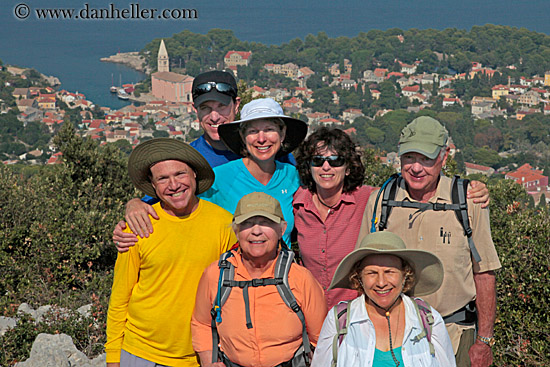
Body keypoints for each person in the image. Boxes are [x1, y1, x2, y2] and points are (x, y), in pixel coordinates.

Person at [356, 116, 501, 367]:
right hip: (391, 335)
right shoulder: (381, 201)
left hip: (455, 333)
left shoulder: (468, 201)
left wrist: (484, 341)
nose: (416, 167)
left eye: (426, 159)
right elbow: (362, 270)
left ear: (444, 158)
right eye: (409, 158)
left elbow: (484, 273)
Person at [293, 127, 490, 310]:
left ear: (348, 168)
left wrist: (472, 189)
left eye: (335, 161)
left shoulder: (371, 200)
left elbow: (414, 191)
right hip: (312, 315)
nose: (326, 167)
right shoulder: (296, 203)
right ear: (308, 166)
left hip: (357, 316)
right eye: (318, 160)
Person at [114, 71, 295, 242]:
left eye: (222, 107)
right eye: (205, 108)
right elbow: (161, 197)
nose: (214, 117)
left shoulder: (273, 156)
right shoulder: (187, 159)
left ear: (237, 104)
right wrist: (134, 205)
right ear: (195, 110)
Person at [105, 138, 236, 367]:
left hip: (202, 356)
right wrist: (113, 358)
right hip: (141, 354)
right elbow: (119, 298)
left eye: (180, 174)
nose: (174, 185)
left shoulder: (224, 224)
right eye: (163, 178)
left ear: (195, 174)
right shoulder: (138, 226)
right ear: (153, 186)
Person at [191, 192, 327, 367]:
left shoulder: (300, 278)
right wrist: (209, 361)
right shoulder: (217, 274)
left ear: (281, 229)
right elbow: (201, 323)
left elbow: (320, 338)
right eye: (247, 223)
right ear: (236, 230)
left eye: (266, 223)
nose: (256, 231)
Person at [311, 231, 456, 367]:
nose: (381, 283)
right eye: (372, 273)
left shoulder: (428, 319)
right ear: (359, 277)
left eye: (389, 272)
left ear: (405, 275)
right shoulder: (339, 320)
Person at [199, 97, 308, 245]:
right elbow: (190, 213)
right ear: (243, 138)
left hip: (283, 266)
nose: (261, 139)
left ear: (282, 135)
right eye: (253, 131)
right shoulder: (218, 178)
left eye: (269, 130)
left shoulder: (293, 176)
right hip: (234, 266)